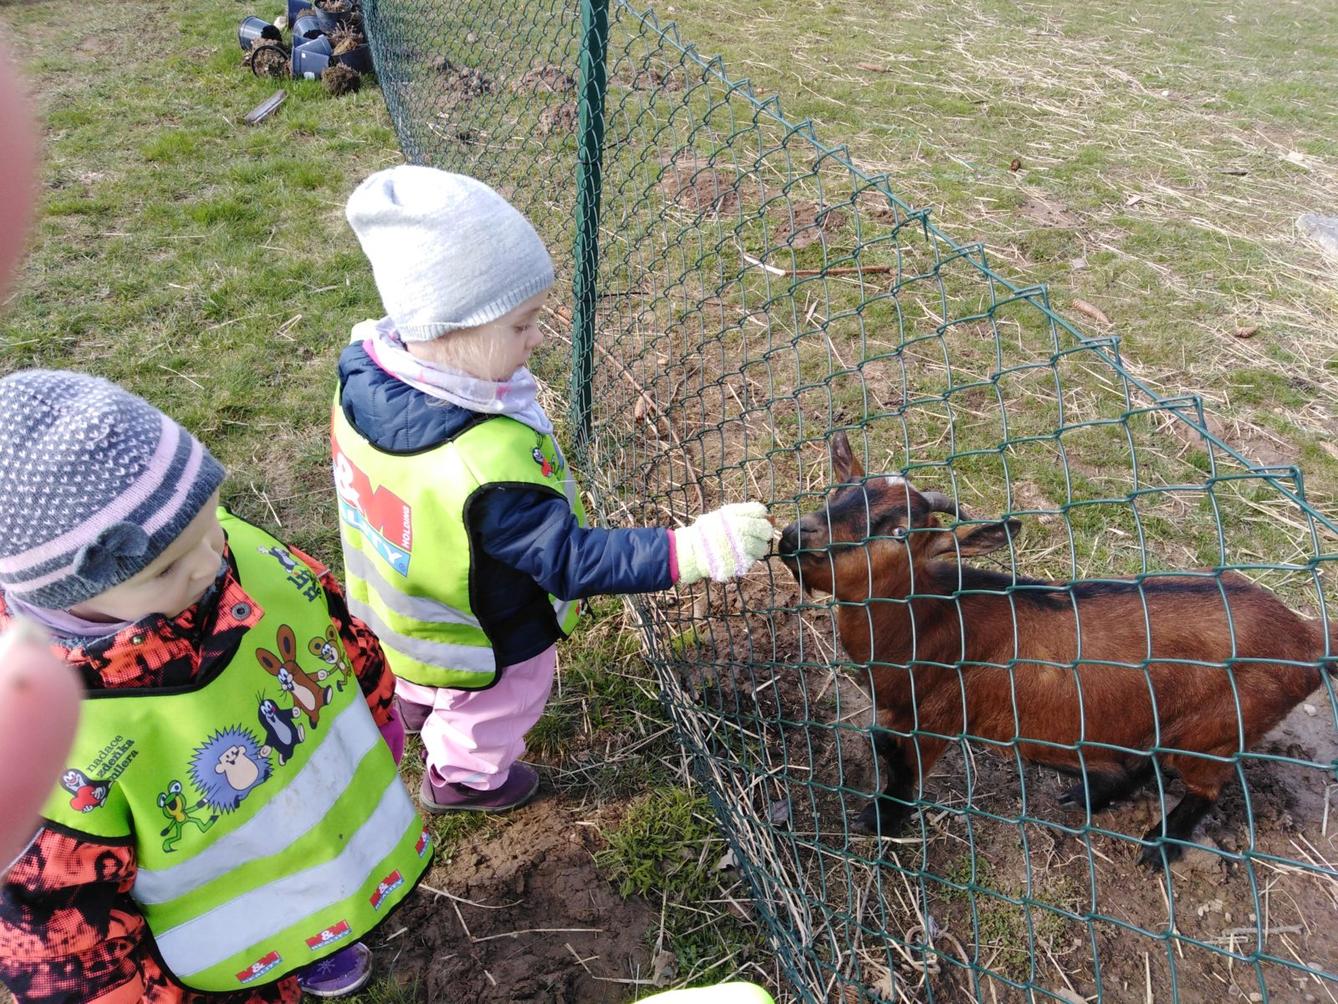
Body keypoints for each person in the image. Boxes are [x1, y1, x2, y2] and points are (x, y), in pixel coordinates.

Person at [335, 166, 773, 813]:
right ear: (452, 328)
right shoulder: (486, 466)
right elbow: (568, 559)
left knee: (421, 671)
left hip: (394, 601)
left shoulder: (362, 379)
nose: (539, 337)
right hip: (487, 635)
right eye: (522, 325)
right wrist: (693, 549)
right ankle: (463, 778)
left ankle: (413, 702)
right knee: (498, 704)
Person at [0, 371, 431, 1002]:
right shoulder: (39, 742)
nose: (211, 563)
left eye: (210, 522)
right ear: (69, 594)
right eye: (168, 566)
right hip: (206, 969)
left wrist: (377, 710)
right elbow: (62, 936)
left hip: (316, 840)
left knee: (316, 898)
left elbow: (329, 628)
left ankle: (317, 942)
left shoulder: (232, 556)